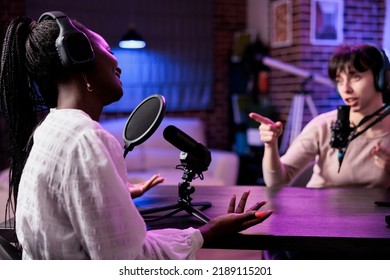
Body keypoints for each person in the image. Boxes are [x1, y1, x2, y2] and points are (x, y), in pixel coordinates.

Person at [0, 12, 272, 260]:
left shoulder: (50, 128)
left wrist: (114, 191)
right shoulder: (87, 139)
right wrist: (207, 231)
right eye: (106, 49)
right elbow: (130, 261)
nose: (117, 63)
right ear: (79, 55)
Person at [250, 43, 390, 189]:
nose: (345, 89)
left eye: (355, 77)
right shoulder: (323, 126)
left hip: (372, 212)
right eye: (339, 80)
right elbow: (276, 182)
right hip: (320, 210)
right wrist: (270, 145)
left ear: (381, 79)